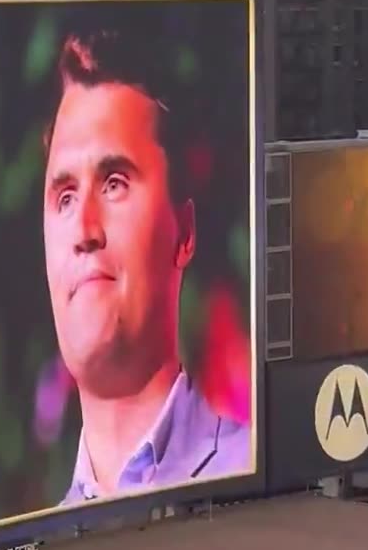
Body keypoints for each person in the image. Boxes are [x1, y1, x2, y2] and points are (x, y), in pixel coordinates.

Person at [42, 26, 250, 507]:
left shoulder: (252, 475)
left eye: (114, 183)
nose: (85, 229)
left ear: (185, 232)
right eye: (66, 197)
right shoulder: (32, 545)